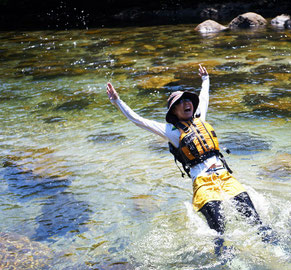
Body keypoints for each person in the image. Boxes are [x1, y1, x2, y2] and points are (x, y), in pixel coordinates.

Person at [106, 65, 276, 255]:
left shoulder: (199, 118)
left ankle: (274, 248)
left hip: (225, 177)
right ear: (174, 111)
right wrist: (117, 101)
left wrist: (205, 80)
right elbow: (139, 120)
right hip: (203, 184)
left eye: (188, 99)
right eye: (181, 102)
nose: (187, 103)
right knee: (218, 226)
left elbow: (204, 98)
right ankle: (223, 258)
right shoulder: (170, 131)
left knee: (252, 216)